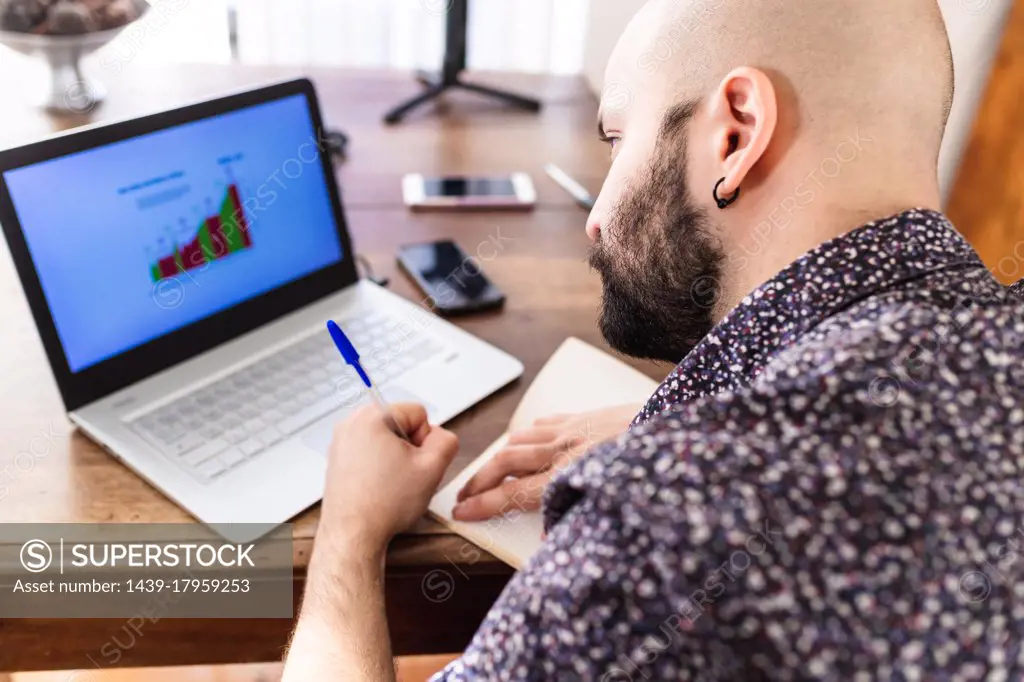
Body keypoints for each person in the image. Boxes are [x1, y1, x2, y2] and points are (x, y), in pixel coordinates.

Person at [282, 0, 1024, 678]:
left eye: (615, 139)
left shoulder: (671, 525)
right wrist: (708, 413)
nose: (595, 216)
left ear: (736, 132)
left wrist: (350, 529)